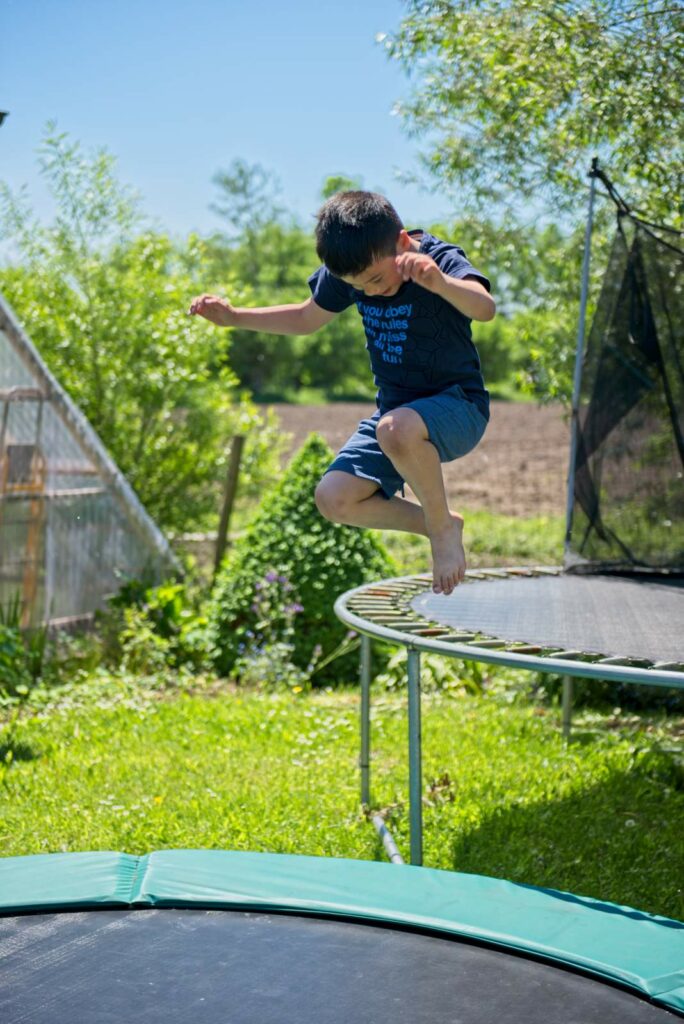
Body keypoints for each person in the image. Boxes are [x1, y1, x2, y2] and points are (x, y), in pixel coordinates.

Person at [189, 191, 495, 596]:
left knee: (395, 428)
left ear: (402, 242)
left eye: (376, 280)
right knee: (334, 499)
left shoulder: (437, 258)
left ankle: (439, 533)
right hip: (397, 420)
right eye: (357, 287)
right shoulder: (353, 271)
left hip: (459, 408)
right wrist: (234, 318)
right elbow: (304, 317)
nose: (368, 292)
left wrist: (440, 283)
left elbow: (485, 308)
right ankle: (442, 521)